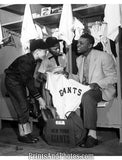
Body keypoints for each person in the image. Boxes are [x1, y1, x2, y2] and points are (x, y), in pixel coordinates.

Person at [69, 33, 117, 148]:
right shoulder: (79, 59)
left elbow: (113, 77)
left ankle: (92, 135)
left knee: (87, 96)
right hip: (86, 89)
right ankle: (78, 132)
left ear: (90, 45)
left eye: (81, 43)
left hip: (101, 89)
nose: (78, 45)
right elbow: (80, 79)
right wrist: (68, 75)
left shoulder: (104, 56)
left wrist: (97, 84)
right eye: (78, 42)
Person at [4, 39, 47, 143]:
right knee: (22, 105)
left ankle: (26, 133)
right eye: (44, 51)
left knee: (24, 106)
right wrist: (39, 98)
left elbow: (29, 79)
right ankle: (23, 134)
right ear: (37, 51)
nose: (46, 53)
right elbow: (29, 81)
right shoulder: (26, 61)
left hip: (19, 82)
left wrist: (36, 96)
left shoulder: (33, 60)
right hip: (13, 82)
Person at [37, 37, 68, 108]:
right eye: (54, 49)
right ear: (49, 49)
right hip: (49, 86)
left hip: (60, 84)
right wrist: (48, 77)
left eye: (58, 48)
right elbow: (40, 75)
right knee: (49, 105)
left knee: (61, 104)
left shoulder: (63, 56)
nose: (57, 50)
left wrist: (65, 73)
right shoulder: (45, 59)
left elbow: (64, 68)